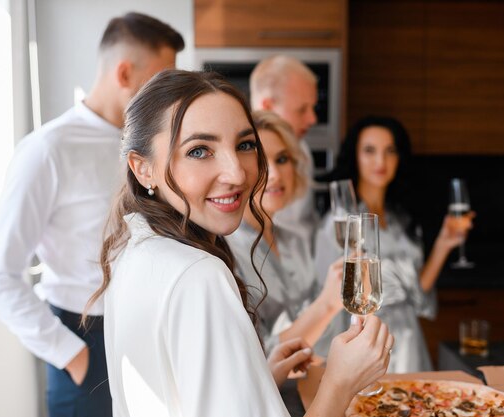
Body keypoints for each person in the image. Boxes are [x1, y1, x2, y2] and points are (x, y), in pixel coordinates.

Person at [87, 69, 394, 417]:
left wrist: (259, 376)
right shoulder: (199, 274)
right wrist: (341, 381)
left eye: (245, 145)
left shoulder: (131, 249)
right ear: (143, 168)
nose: (237, 173)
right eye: (199, 151)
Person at [0, 13, 184, 417]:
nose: (168, 99)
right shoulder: (48, 149)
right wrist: (72, 355)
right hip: (86, 339)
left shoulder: (151, 146)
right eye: (159, 81)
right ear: (124, 72)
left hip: (148, 330)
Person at [314, 115, 473, 373]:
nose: (381, 161)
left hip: (409, 339)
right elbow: (328, 301)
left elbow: (418, 293)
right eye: (370, 150)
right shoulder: (339, 222)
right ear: (354, 156)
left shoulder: (401, 218)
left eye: (390, 151)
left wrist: (444, 242)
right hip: (367, 340)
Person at [226, 110, 344, 354]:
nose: (276, 175)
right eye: (261, 162)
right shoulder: (226, 253)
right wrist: (328, 304)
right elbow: (259, 357)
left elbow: (323, 338)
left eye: (282, 159)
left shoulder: (296, 242)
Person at [250, 55, 319, 246]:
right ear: (268, 106)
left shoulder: (302, 149)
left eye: (282, 160)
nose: (313, 119)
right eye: (301, 109)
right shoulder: (240, 155)